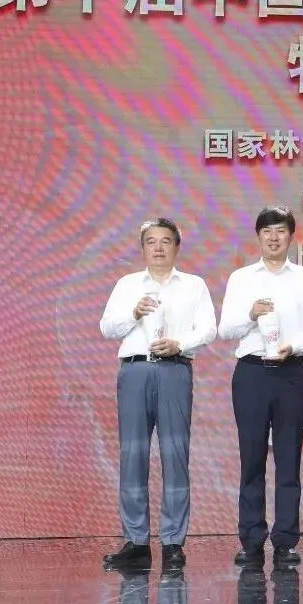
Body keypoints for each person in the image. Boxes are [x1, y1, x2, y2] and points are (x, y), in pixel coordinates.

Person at [99, 217, 217, 570]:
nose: (159, 247)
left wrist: (179, 343)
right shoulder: (127, 284)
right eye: (151, 241)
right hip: (135, 371)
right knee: (133, 454)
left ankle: (172, 543)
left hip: (174, 370)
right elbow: (107, 328)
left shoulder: (193, 285)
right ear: (143, 248)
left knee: (175, 453)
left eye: (166, 240)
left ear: (177, 246)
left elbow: (208, 329)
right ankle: (136, 542)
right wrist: (133, 313)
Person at [218, 207, 303, 568]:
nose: (273, 237)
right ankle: (251, 539)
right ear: (258, 236)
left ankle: (285, 540)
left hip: (291, 372)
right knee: (251, 456)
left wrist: (293, 346)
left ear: (291, 236)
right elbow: (226, 329)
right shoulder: (241, 278)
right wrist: (250, 314)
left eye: (280, 230)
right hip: (251, 373)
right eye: (267, 231)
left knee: (288, 457)